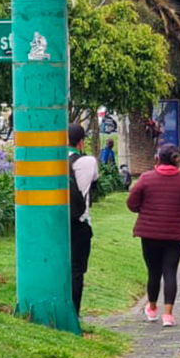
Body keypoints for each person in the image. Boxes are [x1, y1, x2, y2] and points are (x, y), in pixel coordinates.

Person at [127, 143, 180, 326]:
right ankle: (168, 315)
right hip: (176, 234)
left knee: (153, 271)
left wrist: (144, 208)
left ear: (158, 159)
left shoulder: (146, 179)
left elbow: (132, 203)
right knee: (170, 272)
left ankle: (151, 309)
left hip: (149, 234)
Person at [67, 124, 100, 316]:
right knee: (77, 270)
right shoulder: (88, 162)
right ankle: (74, 313)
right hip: (79, 223)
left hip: (55, 223)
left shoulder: (52, 160)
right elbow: (95, 180)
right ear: (81, 142)